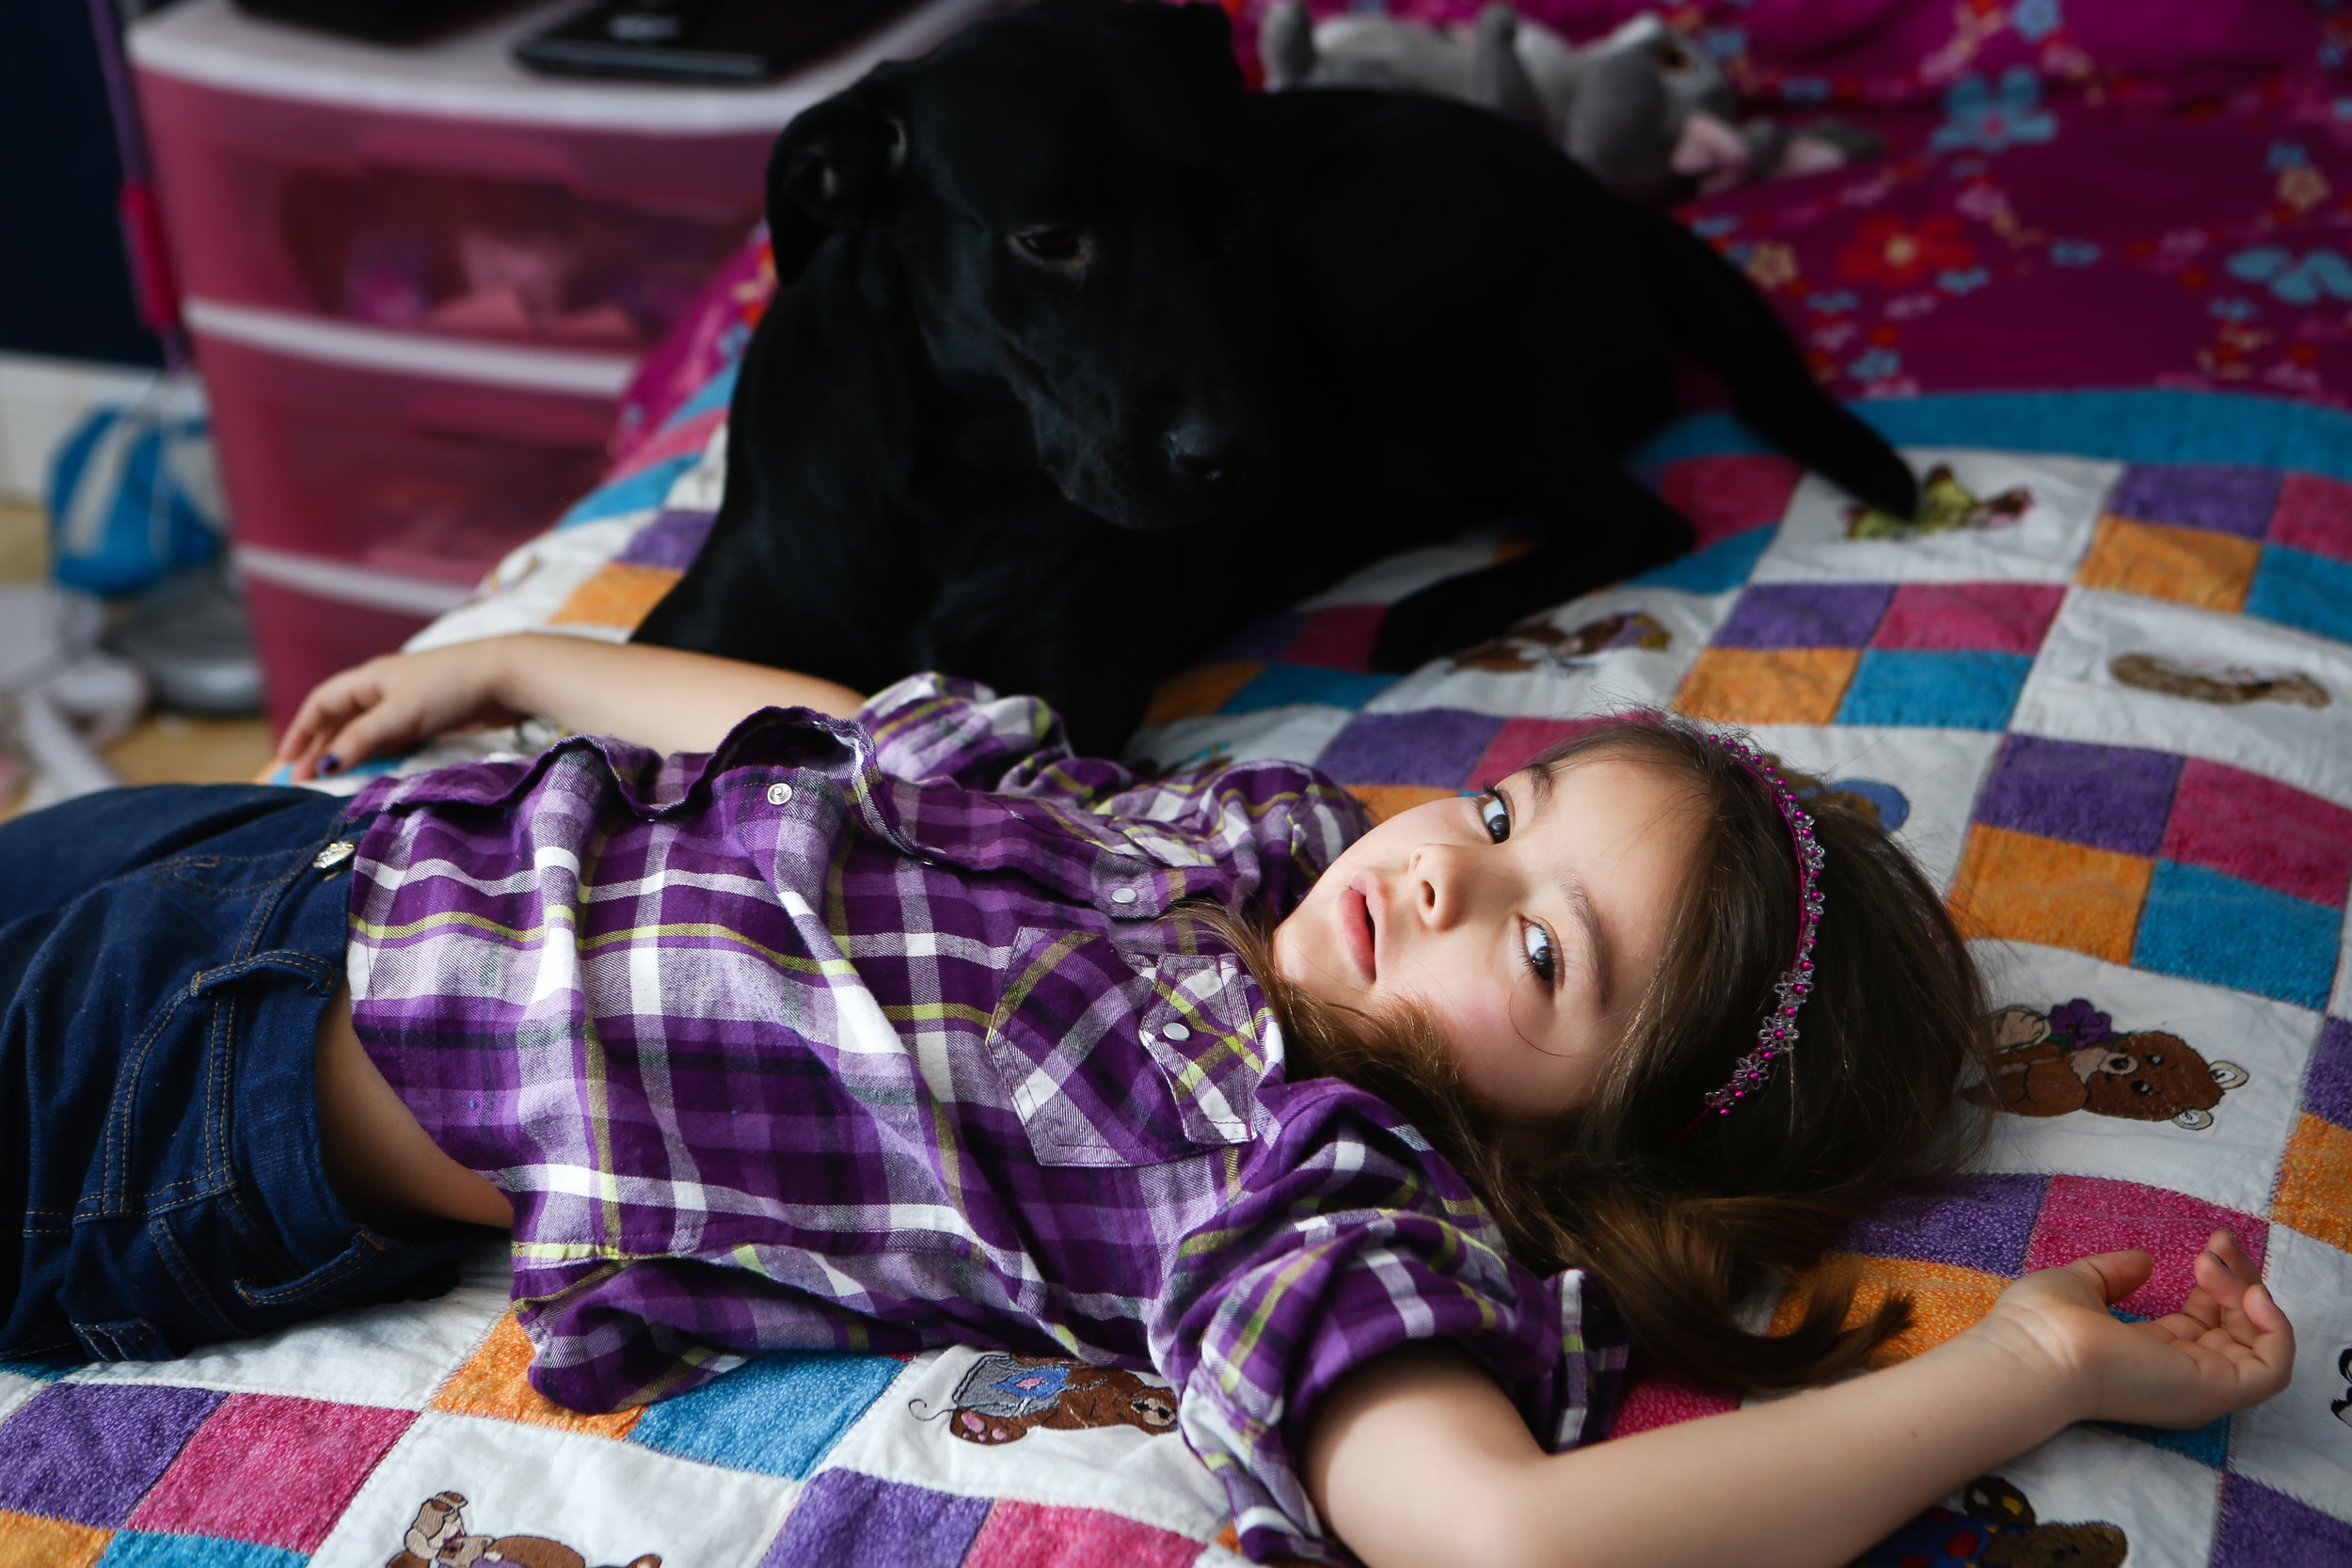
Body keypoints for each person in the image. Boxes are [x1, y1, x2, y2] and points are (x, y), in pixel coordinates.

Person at [2, 633, 2293, 1568]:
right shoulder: (1250, 845)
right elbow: (833, 739)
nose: (1438, 871)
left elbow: (1496, 1542)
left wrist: (2021, 1367)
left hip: (196, 1097)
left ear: (1606, 1134)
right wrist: (518, 661)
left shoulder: (1292, 1190)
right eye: (1502, 815)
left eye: (1536, 952)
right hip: (263, 860)